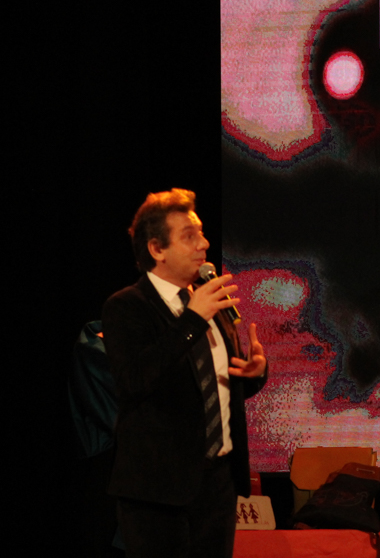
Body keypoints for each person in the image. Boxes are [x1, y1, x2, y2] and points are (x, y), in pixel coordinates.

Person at [102, 189, 268, 558]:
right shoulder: (127, 306)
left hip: (218, 487)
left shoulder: (211, 304)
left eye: (202, 233)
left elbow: (212, 390)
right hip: (157, 494)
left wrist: (254, 374)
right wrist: (192, 319)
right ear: (157, 249)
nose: (204, 244)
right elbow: (135, 381)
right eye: (189, 236)